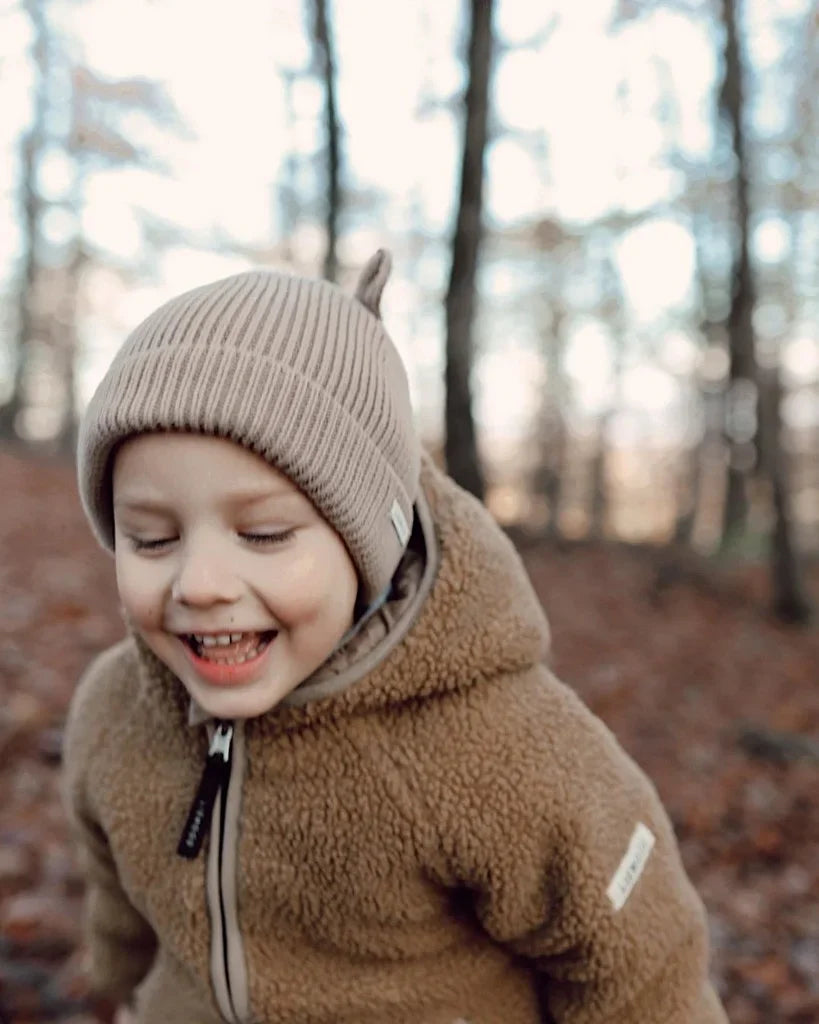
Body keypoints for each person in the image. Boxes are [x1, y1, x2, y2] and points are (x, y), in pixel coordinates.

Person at [64, 250, 728, 1024]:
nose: (199, 582)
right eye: (150, 539)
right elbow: (116, 891)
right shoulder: (115, 713)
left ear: (367, 543)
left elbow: (642, 963)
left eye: (266, 533)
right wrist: (116, 981)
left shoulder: (498, 750)